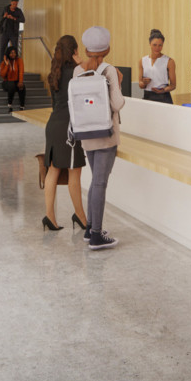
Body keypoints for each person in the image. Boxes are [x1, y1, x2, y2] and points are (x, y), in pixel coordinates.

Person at [75, 26, 125, 250]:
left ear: (86, 50)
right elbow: (117, 104)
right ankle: (96, 235)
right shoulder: (109, 70)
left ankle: (89, 228)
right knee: (100, 183)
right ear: (108, 48)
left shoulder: (78, 71)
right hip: (106, 135)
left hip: (86, 133)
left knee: (95, 181)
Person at [41, 35, 87, 233]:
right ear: (74, 51)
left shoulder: (54, 72)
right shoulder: (76, 70)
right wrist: (82, 63)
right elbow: (88, 88)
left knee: (53, 170)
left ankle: (50, 217)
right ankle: (81, 217)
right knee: (74, 172)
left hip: (53, 125)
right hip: (69, 128)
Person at [139, 29, 179, 104]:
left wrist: (163, 90)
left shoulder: (169, 61)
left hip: (163, 97)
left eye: (160, 45)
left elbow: (173, 85)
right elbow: (140, 85)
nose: (157, 48)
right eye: (154, 45)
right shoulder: (142, 61)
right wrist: (144, 83)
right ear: (149, 44)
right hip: (147, 97)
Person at [0, 45, 26, 111]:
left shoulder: (19, 60)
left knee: (22, 87)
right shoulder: (3, 63)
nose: (13, 54)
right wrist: (7, 65)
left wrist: (20, 82)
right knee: (12, 86)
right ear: (8, 54)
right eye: (11, 53)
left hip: (16, 81)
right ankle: (10, 105)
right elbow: (2, 75)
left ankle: (22, 106)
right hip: (7, 82)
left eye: (14, 53)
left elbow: (21, 71)